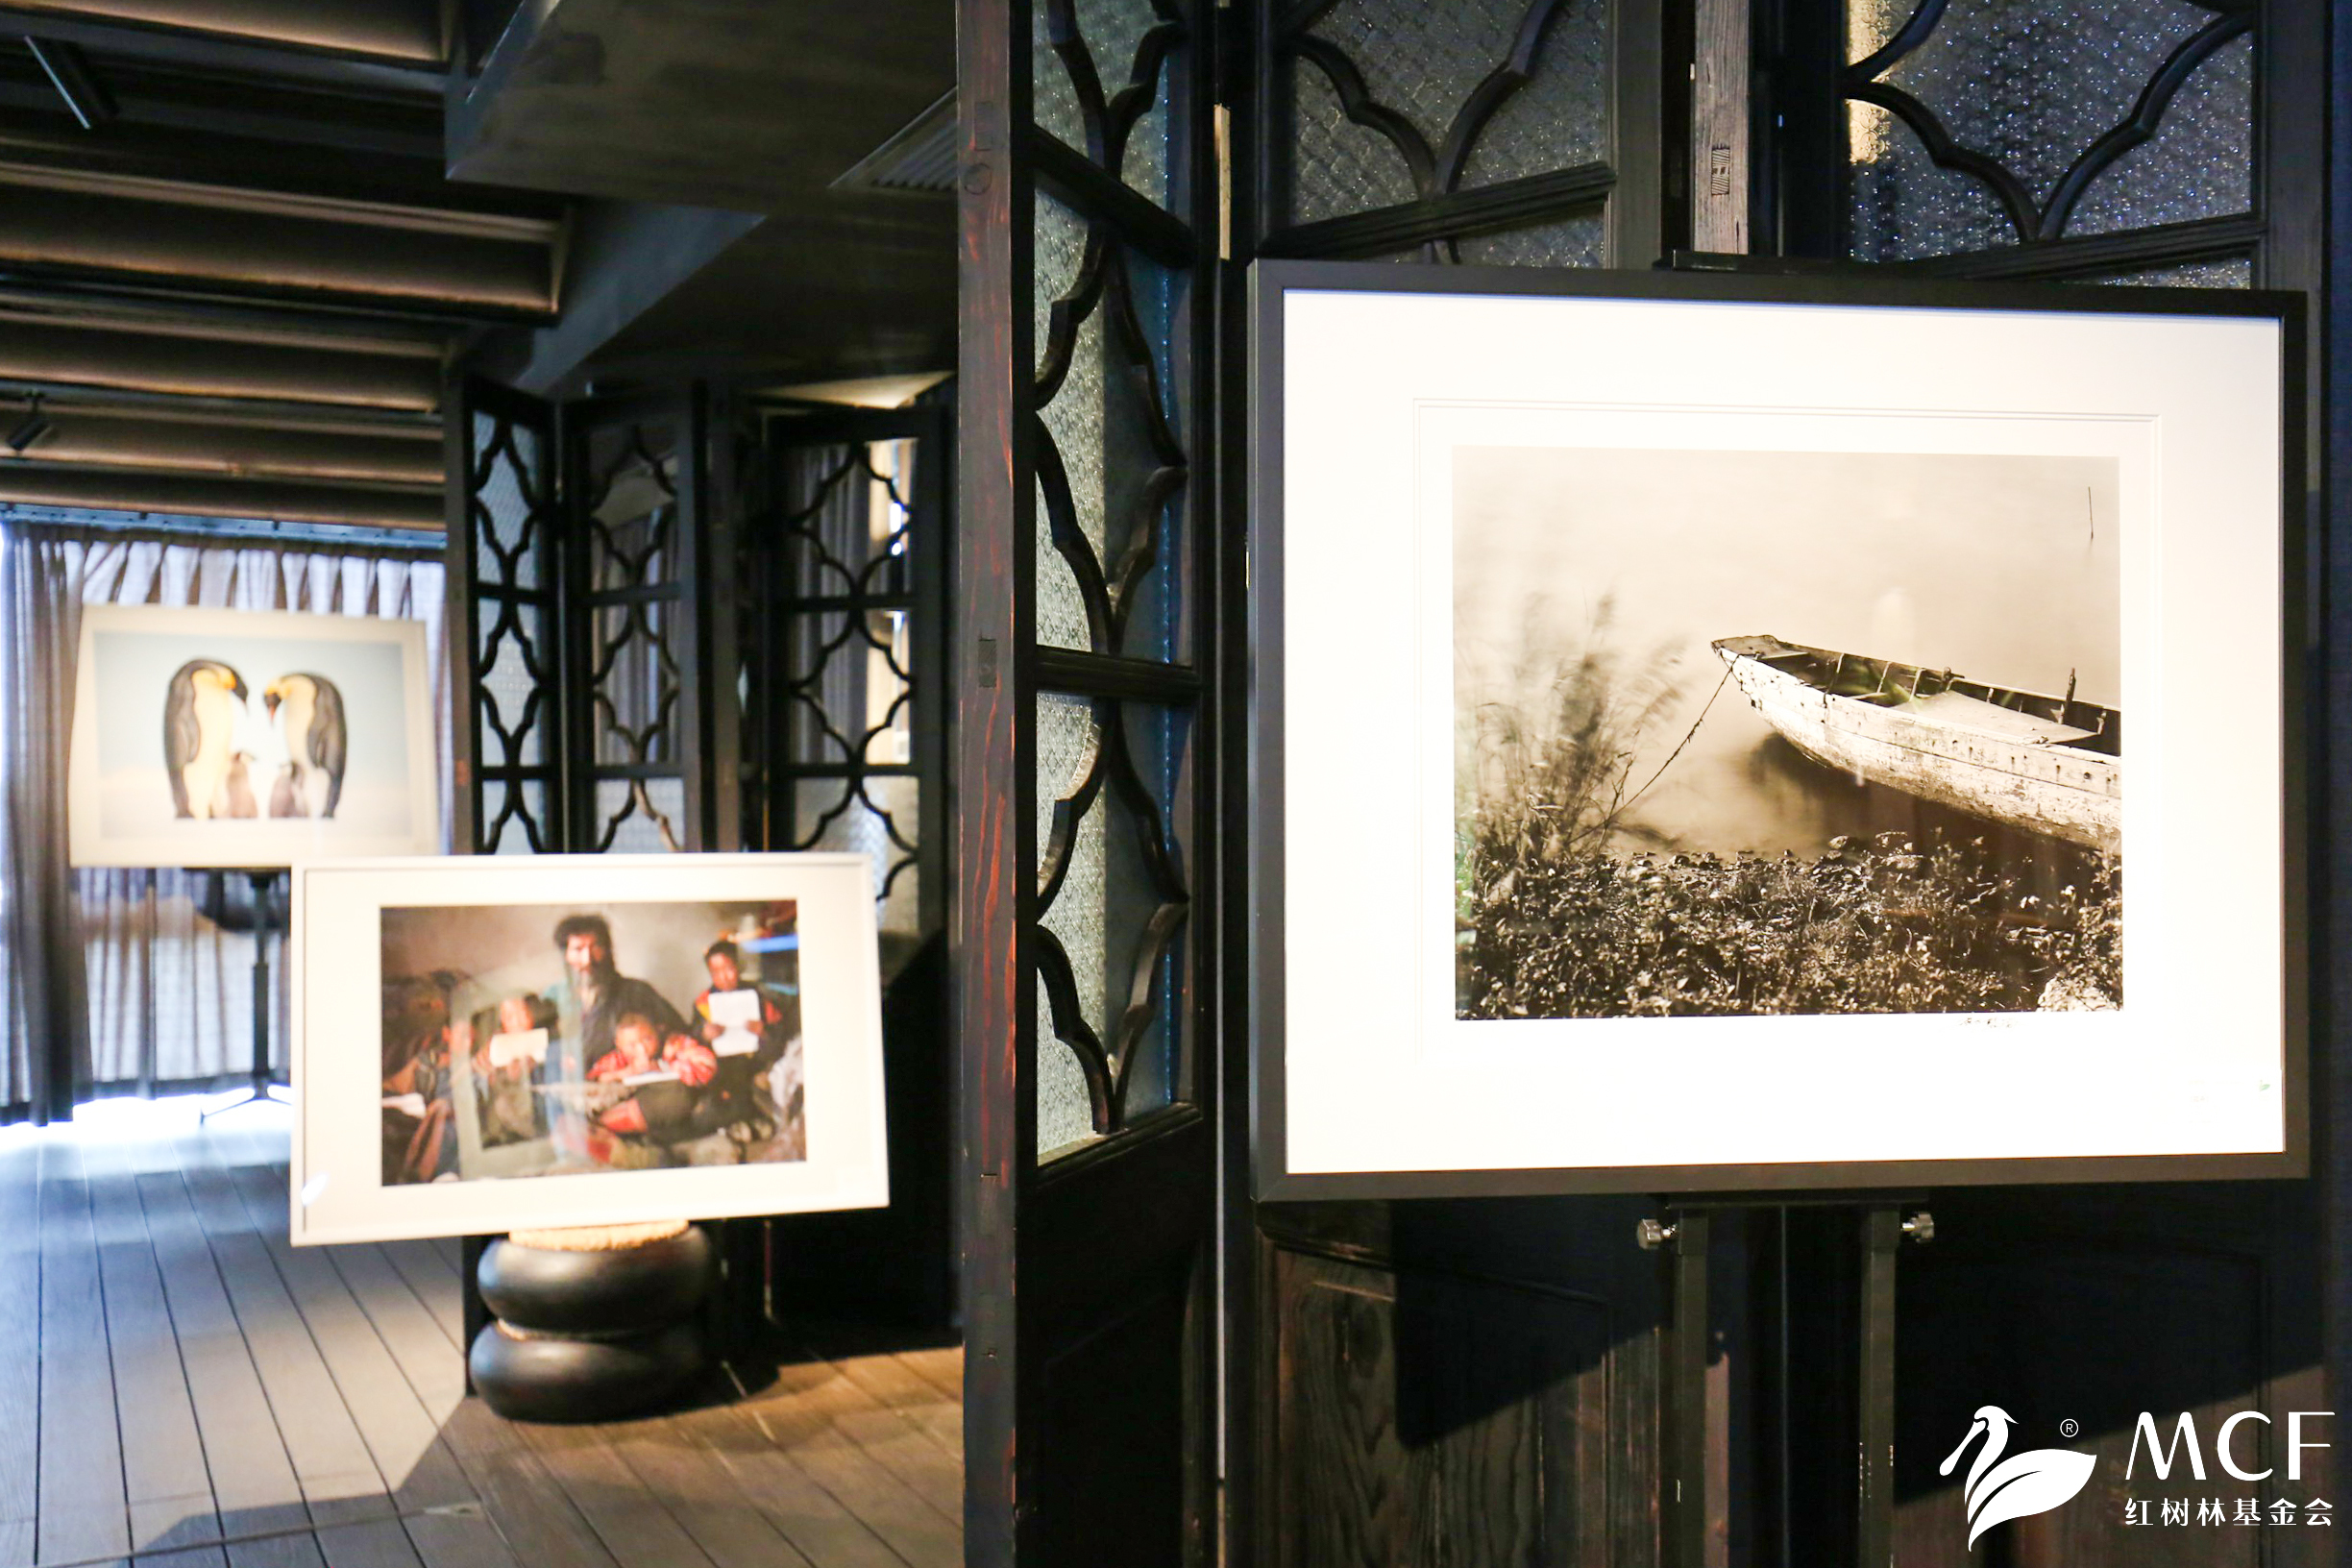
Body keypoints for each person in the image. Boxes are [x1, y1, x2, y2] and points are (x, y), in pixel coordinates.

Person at [537, 914, 690, 1162]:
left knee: (678, 1094)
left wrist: (665, 1049)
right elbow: (535, 1047)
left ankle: (592, 1136)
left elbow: (676, 1033)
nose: (588, 960)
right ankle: (601, 1142)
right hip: (574, 1094)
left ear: (608, 950)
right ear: (565, 955)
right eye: (578, 950)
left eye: (595, 947)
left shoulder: (636, 992)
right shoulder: (552, 997)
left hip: (625, 1093)